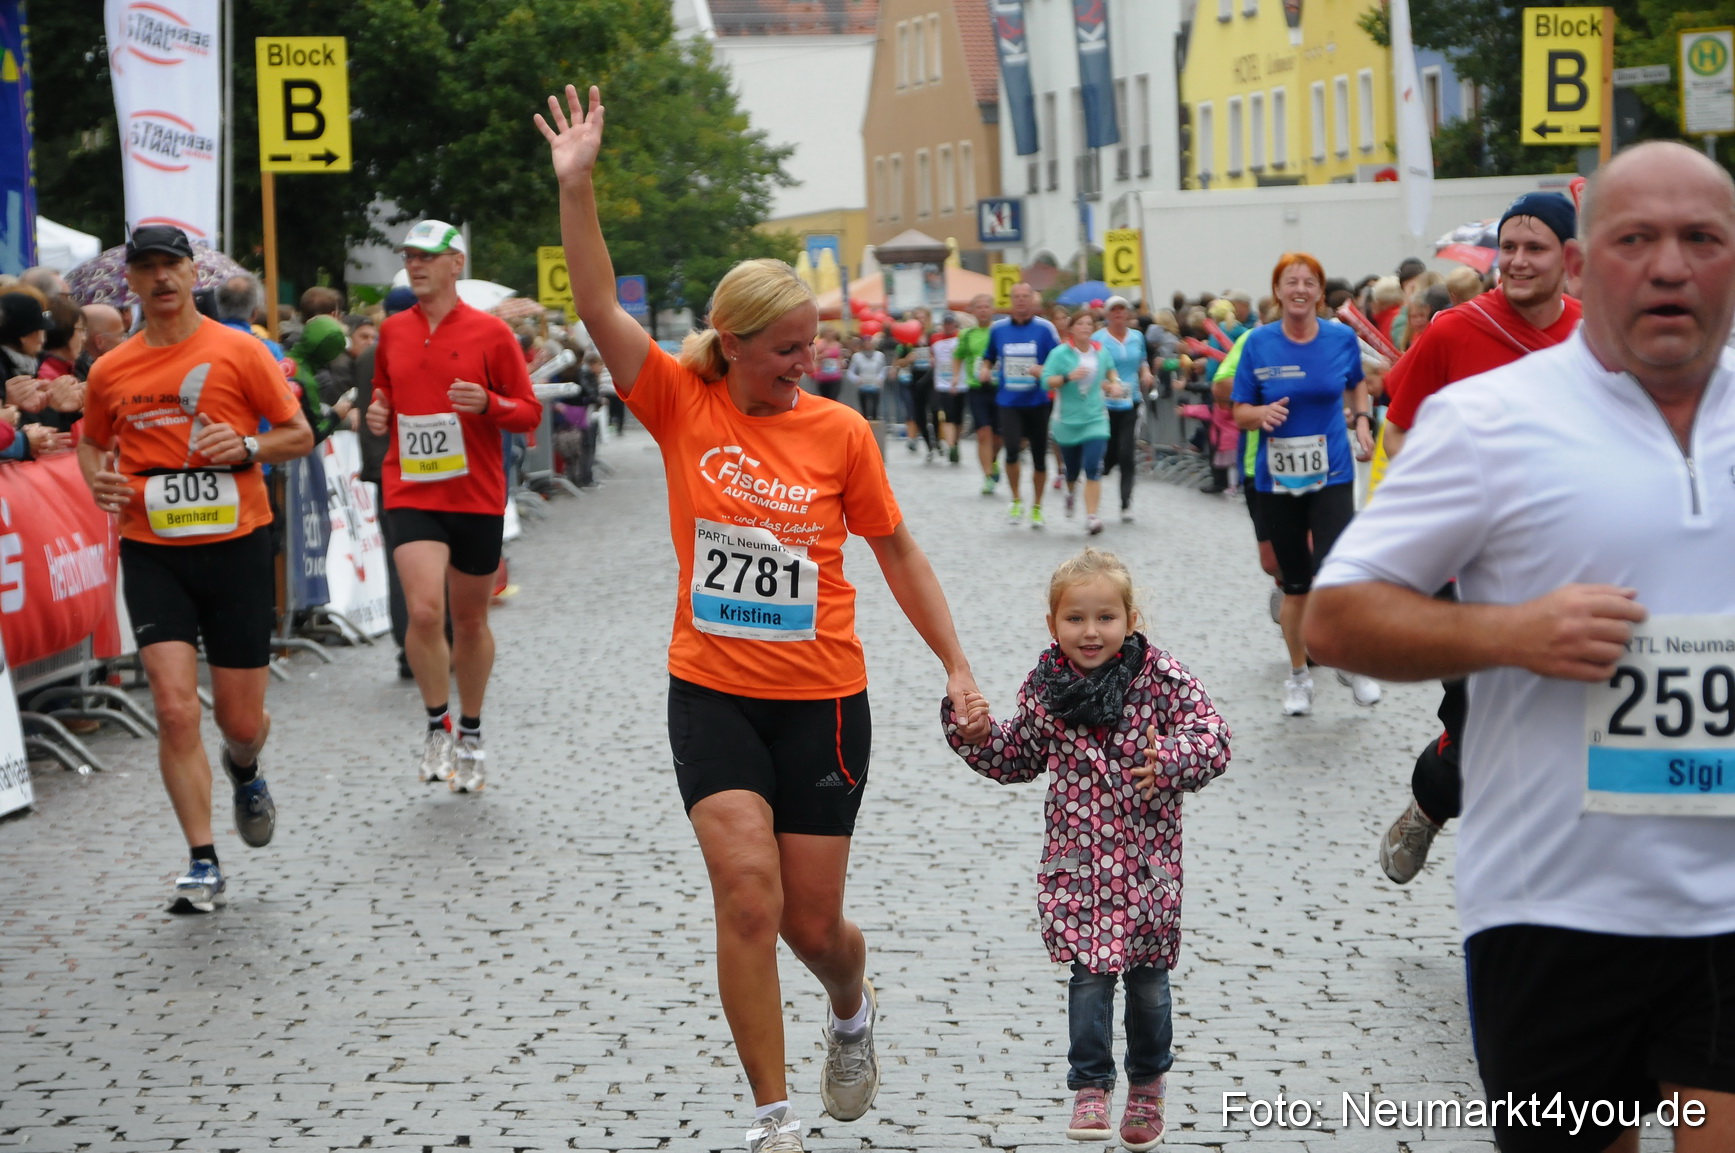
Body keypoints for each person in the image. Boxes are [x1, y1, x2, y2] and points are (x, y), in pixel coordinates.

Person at [537, 83, 987, 1153]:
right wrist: (577, 185)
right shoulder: (677, 402)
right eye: (786, 349)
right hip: (712, 690)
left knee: (811, 924)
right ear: (731, 344)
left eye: (811, 346)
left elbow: (897, 551)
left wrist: (957, 665)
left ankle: (850, 1006)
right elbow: (598, 306)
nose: (805, 365)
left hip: (822, 698)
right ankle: (772, 1118)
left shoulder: (840, 434)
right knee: (746, 894)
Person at [1307, 141, 1735, 1153]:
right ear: (1586, 266)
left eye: (1700, 239)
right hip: (1554, 899)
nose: (1668, 265)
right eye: (1634, 239)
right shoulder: (1491, 421)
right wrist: (1512, 632)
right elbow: (1335, 616)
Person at [943, 548, 1229, 1152]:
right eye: (1075, 619)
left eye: (1105, 617)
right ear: (1053, 624)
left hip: (1147, 866)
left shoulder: (1162, 679)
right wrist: (974, 733)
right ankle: (1091, 1086)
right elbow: (1016, 756)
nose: (1090, 632)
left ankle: (1147, 1085)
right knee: (1089, 978)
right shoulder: (1045, 687)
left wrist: (1169, 759)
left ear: (1130, 619)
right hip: (1079, 867)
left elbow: (1213, 736)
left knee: (1148, 983)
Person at [79, 225, 314, 914]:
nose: (160, 278)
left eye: (170, 265)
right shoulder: (110, 369)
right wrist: (98, 480)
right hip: (153, 550)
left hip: (237, 548)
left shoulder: (240, 351)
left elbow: (298, 434)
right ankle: (202, 859)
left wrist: (246, 446)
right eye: (146, 267)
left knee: (239, 723)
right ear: (131, 281)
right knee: (175, 706)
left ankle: (245, 768)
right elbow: (92, 444)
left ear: (191, 274)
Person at [1369, 191, 1582, 886]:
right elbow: (1397, 432)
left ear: (1569, 258)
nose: (1517, 261)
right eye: (1508, 247)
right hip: (1467, 564)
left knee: (1563, 718)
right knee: (1483, 720)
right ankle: (1430, 805)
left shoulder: (1596, 336)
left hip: (1566, 561)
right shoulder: (1455, 331)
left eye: (1534, 248)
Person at [366, 220, 542, 793]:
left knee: (469, 622)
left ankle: (471, 730)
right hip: (411, 488)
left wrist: (489, 403)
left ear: (455, 263)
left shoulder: (492, 333)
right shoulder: (392, 331)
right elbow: (384, 395)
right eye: (409, 257)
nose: (415, 266)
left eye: (427, 257)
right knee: (423, 612)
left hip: (474, 493)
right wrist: (377, 412)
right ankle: (437, 724)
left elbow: (528, 412)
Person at [1231, 252, 1379, 717]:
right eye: (1290, 281)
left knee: (1338, 575)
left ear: (1319, 292)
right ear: (1277, 291)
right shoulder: (1258, 343)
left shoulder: (1340, 338)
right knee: (1296, 585)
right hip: (1278, 480)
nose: (1300, 289)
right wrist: (1260, 414)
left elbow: (1357, 384)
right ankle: (1299, 676)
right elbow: (1239, 410)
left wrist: (1362, 420)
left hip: (1332, 472)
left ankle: (1350, 661)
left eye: (1308, 282)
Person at [980, 282, 1059, 528]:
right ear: (1011, 300)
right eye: (1017, 296)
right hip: (1009, 401)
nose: (1022, 300)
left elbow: (1059, 361)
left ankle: (1037, 506)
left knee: (1039, 457)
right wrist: (984, 369)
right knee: (1012, 449)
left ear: (1033, 300)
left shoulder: (1045, 329)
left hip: (1038, 401)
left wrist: (1044, 370)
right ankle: (1016, 500)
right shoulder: (998, 329)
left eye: (1026, 296)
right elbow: (988, 357)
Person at [1043, 308, 1115, 536]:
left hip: (1096, 418)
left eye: (1089, 324)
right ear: (1071, 328)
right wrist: (1068, 377)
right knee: (1072, 470)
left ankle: (1092, 516)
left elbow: (1111, 371)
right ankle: (1070, 491)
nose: (1085, 327)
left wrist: (1115, 384)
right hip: (1067, 421)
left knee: (1093, 466)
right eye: (1080, 323)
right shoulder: (1060, 353)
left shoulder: (1101, 352)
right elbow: (1046, 381)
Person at [1094, 296, 1153, 522]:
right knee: (1111, 451)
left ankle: (1126, 503)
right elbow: (1092, 368)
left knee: (1127, 452)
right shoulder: (1098, 338)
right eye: (1114, 310)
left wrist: (1146, 373)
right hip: (1106, 403)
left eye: (1122, 310)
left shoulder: (1137, 337)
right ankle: (1103, 467)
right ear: (1107, 314)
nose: (1119, 314)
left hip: (1131, 401)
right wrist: (1107, 385)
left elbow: (1142, 361)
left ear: (1128, 314)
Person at [953, 293, 1001, 494]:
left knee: (999, 436)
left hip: (999, 387)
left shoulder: (1000, 331)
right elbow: (958, 356)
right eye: (979, 307)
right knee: (983, 433)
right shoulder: (967, 334)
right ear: (973, 311)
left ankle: (993, 459)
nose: (983, 311)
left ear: (992, 310)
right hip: (976, 388)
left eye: (986, 307)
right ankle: (988, 476)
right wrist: (956, 377)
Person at [893, 307, 937, 459]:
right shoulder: (907, 340)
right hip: (914, 380)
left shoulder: (933, 337)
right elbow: (897, 362)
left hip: (932, 378)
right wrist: (907, 360)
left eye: (924, 318)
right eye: (918, 318)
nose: (921, 321)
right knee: (918, 414)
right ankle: (928, 444)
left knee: (935, 409)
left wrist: (935, 358)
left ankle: (938, 439)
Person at [928, 312, 964, 463]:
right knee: (947, 415)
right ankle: (951, 446)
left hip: (961, 383)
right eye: (946, 323)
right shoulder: (935, 338)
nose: (948, 326)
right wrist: (931, 359)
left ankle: (955, 441)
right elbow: (931, 353)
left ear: (955, 324)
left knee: (959, 418)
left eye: (951, 323)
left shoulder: (962, 337)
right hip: (942, 383)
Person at [844, 334, 885, 421]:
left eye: (869, 342)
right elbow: (850, 372)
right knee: (864, 408)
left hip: (875, 384)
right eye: (866, 343)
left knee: (875, 408)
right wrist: (856, 379)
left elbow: (883, 369)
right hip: (862, 385)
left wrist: (880, 378)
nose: (868, 344)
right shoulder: (857, 356)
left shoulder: (879, 355)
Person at [812, 328, 844, 401]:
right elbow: (814, 357)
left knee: (834, 398)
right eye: (828, 333)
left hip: (835, 375)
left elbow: (840, 357)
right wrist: (824, 355)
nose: (830, 335)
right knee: (824, 398)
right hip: (823, 376)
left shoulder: (837, 344)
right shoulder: (820, 344)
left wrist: (840, 363)